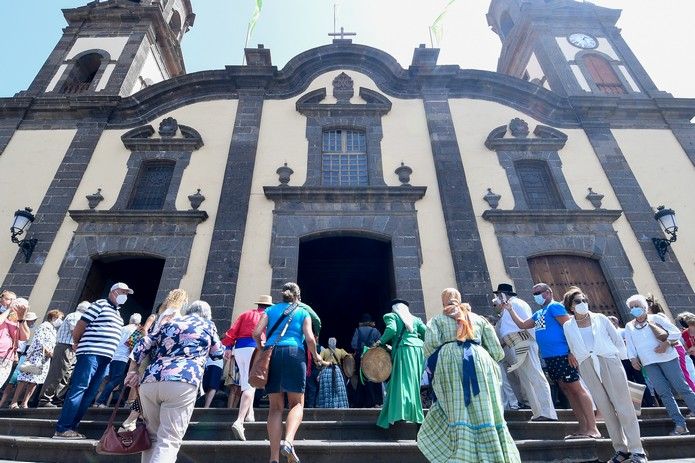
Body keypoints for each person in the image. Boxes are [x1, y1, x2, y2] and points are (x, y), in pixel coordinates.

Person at [417, 288, 521, 462]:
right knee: (485, 405)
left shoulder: (437, 320)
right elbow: (497, 351)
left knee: (455, 405)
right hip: (480, 359)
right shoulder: (479, 319)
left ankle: (463, 451)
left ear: (444, 301)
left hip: (449, 362)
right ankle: (495, 451)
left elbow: (430, 346)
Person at [124, 300, 223, 463]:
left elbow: (143, 343)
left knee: (152, 437)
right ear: (207, 314)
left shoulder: (169, 323)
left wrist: (132, 370)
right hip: (183, 380)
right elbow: (217, 353)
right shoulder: (207, 324)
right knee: (169, 440)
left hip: (151, 381)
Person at [504, 282, 599, 439]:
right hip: (550, 358)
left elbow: (569, 327)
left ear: (548, 292)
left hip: (563, 355)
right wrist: (510, 310)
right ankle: (582, 428)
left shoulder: (555, 307)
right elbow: (522, 324)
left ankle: (593, 428)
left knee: (577, 390)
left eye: (538, 292)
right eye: (534, 293)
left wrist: (571, 351)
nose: (536, 296)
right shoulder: (540, 312)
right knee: (568, 391)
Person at [562, 288, 647, 463]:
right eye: (578, 301)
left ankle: (637, 450)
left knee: (624, 407)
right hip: (587, 365)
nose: (582, 303)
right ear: (570, 306)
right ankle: (621, 450)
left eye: (584, 299)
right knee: (605, 410)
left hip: (608, 361)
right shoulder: (567, 325)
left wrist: (622, 362)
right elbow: (573, 345)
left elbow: (617, 340)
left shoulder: (600, 319)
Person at [252, 282, 321, 463]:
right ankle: (288, 441)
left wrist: (262, 348)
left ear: (282, 295)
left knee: (275, 408)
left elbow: (256, 332)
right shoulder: (303, 312)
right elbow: (310, 338)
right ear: (298, 296)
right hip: (294, 353)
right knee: (297, 403)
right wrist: (315, 356)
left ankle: (274, 458)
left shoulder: (270, 310)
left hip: (272, 353)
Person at [53, 282, 131, 439]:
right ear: (113, 292)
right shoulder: (100, 304)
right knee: (79, 388)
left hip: (106, 358)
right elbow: (81, 325)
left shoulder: (118, 314)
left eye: (127, 293)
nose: (125, 295)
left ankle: (72, 427)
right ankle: (63, 428)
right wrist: (76, 342)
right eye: (123, 292)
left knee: (90, 393)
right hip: (90, 353)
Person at [624, 294, 695, 435]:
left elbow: (675, 332)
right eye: (632, 307)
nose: (634, 309)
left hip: (668, 358)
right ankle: (680, 424)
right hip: (649, 363)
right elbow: (630, 346)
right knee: (663, 393)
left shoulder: (656, 318)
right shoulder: (629, 326)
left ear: (644, 307)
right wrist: (633, 359)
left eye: (637, 306)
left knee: (682, 387)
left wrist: (666, 343)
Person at [120, 289, 188, 432]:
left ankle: (133, 419)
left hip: (156, 357)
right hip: (162, 357)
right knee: (150, 391)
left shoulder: (164, 312)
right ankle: (132, 419)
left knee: (148, 390)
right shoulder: (172, 314)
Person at [493, 283, 557, 421]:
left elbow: (527, 323)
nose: (497, 298)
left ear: (503, 295)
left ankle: (548, 412)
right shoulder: (507, 308)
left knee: (536, 377)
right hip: (515, 344)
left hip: (523, 342)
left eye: (498, 295)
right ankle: (538, 412)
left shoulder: (517, 304)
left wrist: (530, 343)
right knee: (526, 380)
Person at [222, 294, 273, 440]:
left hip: (239, 349)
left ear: (258, 305)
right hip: (256, 348)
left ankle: (250, 415)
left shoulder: (245, 314)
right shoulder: (267, 316)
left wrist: (228, 347)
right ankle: (239, 420)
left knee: (246, 381)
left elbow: (232, 331)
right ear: (269, 306)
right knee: (251, 385)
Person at [375, 298, 426, 429]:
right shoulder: (415, 319)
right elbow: (426, 332)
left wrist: (380, 342)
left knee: (402, 382)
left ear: (394, 308)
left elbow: (391, 330)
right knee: (413, 383)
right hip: (418, 350)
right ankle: (414, 413)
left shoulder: (391, 316)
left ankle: (402, 413)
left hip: (404, 350)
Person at [38, 301, 90, 407]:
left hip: (73, 348)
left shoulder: (80, 317)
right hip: (65, 347)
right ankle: (45, 398)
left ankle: (57, 398)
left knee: (66, 375)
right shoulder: (76, 316)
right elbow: (75, 331)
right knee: (57, 373)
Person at [10, 309, 64, 409]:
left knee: (35, 381)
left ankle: (24, 402)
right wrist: (47, 350)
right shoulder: (44, 326)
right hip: (35, 357)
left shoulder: (53, 329)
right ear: (53, 317)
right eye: (60, 318)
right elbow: (39, 340)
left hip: (44, 359)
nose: (61, 320)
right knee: (24, 379)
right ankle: (14, 401)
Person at [607, 315, 659, 408]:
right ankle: (639, 404)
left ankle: (650, 403)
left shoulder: (623, 331)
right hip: (621, 361)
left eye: (611, 322)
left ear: (615, 322)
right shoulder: (608, 334)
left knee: (641, 381)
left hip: (631, 359)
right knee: (630, 383)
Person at [646, 295, 695, 392]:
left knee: (688, 378)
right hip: (673, 352)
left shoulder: (658, 317)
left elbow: (670, 334)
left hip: (676, 350)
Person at [94, 313, 142, 408]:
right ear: (139, 322)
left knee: (110, 380)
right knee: (115, 380)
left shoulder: (121, 328)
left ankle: (99, 402)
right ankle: (101, 401)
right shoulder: (136, 330)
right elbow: (131, 346)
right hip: (122, 358)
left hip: (112, 355)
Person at [350, 313, 383, 408]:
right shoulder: (375, 331)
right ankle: (376, 401)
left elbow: (353, 345)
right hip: (372, 357)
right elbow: (380, 344)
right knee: (375, 378)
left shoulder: (358, 330)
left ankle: (361, 402)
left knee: (361, 379)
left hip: (361, 357)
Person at [0, 297, 30, 387]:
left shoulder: (18, 322)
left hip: (7, 358)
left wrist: (21, 319)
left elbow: (26, 336)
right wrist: (9, 309)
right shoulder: (3, 315)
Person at [317, 337, 349, 408]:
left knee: (327, 389)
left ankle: (327, 406)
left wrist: (323, 363)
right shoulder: (340, 351)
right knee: (338, 389)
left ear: (328, 343)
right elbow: (349, 358)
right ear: (336, 343)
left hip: (326, 372)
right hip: (337, 371)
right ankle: (339, 406)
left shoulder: (324, 351)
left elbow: (319, 361)